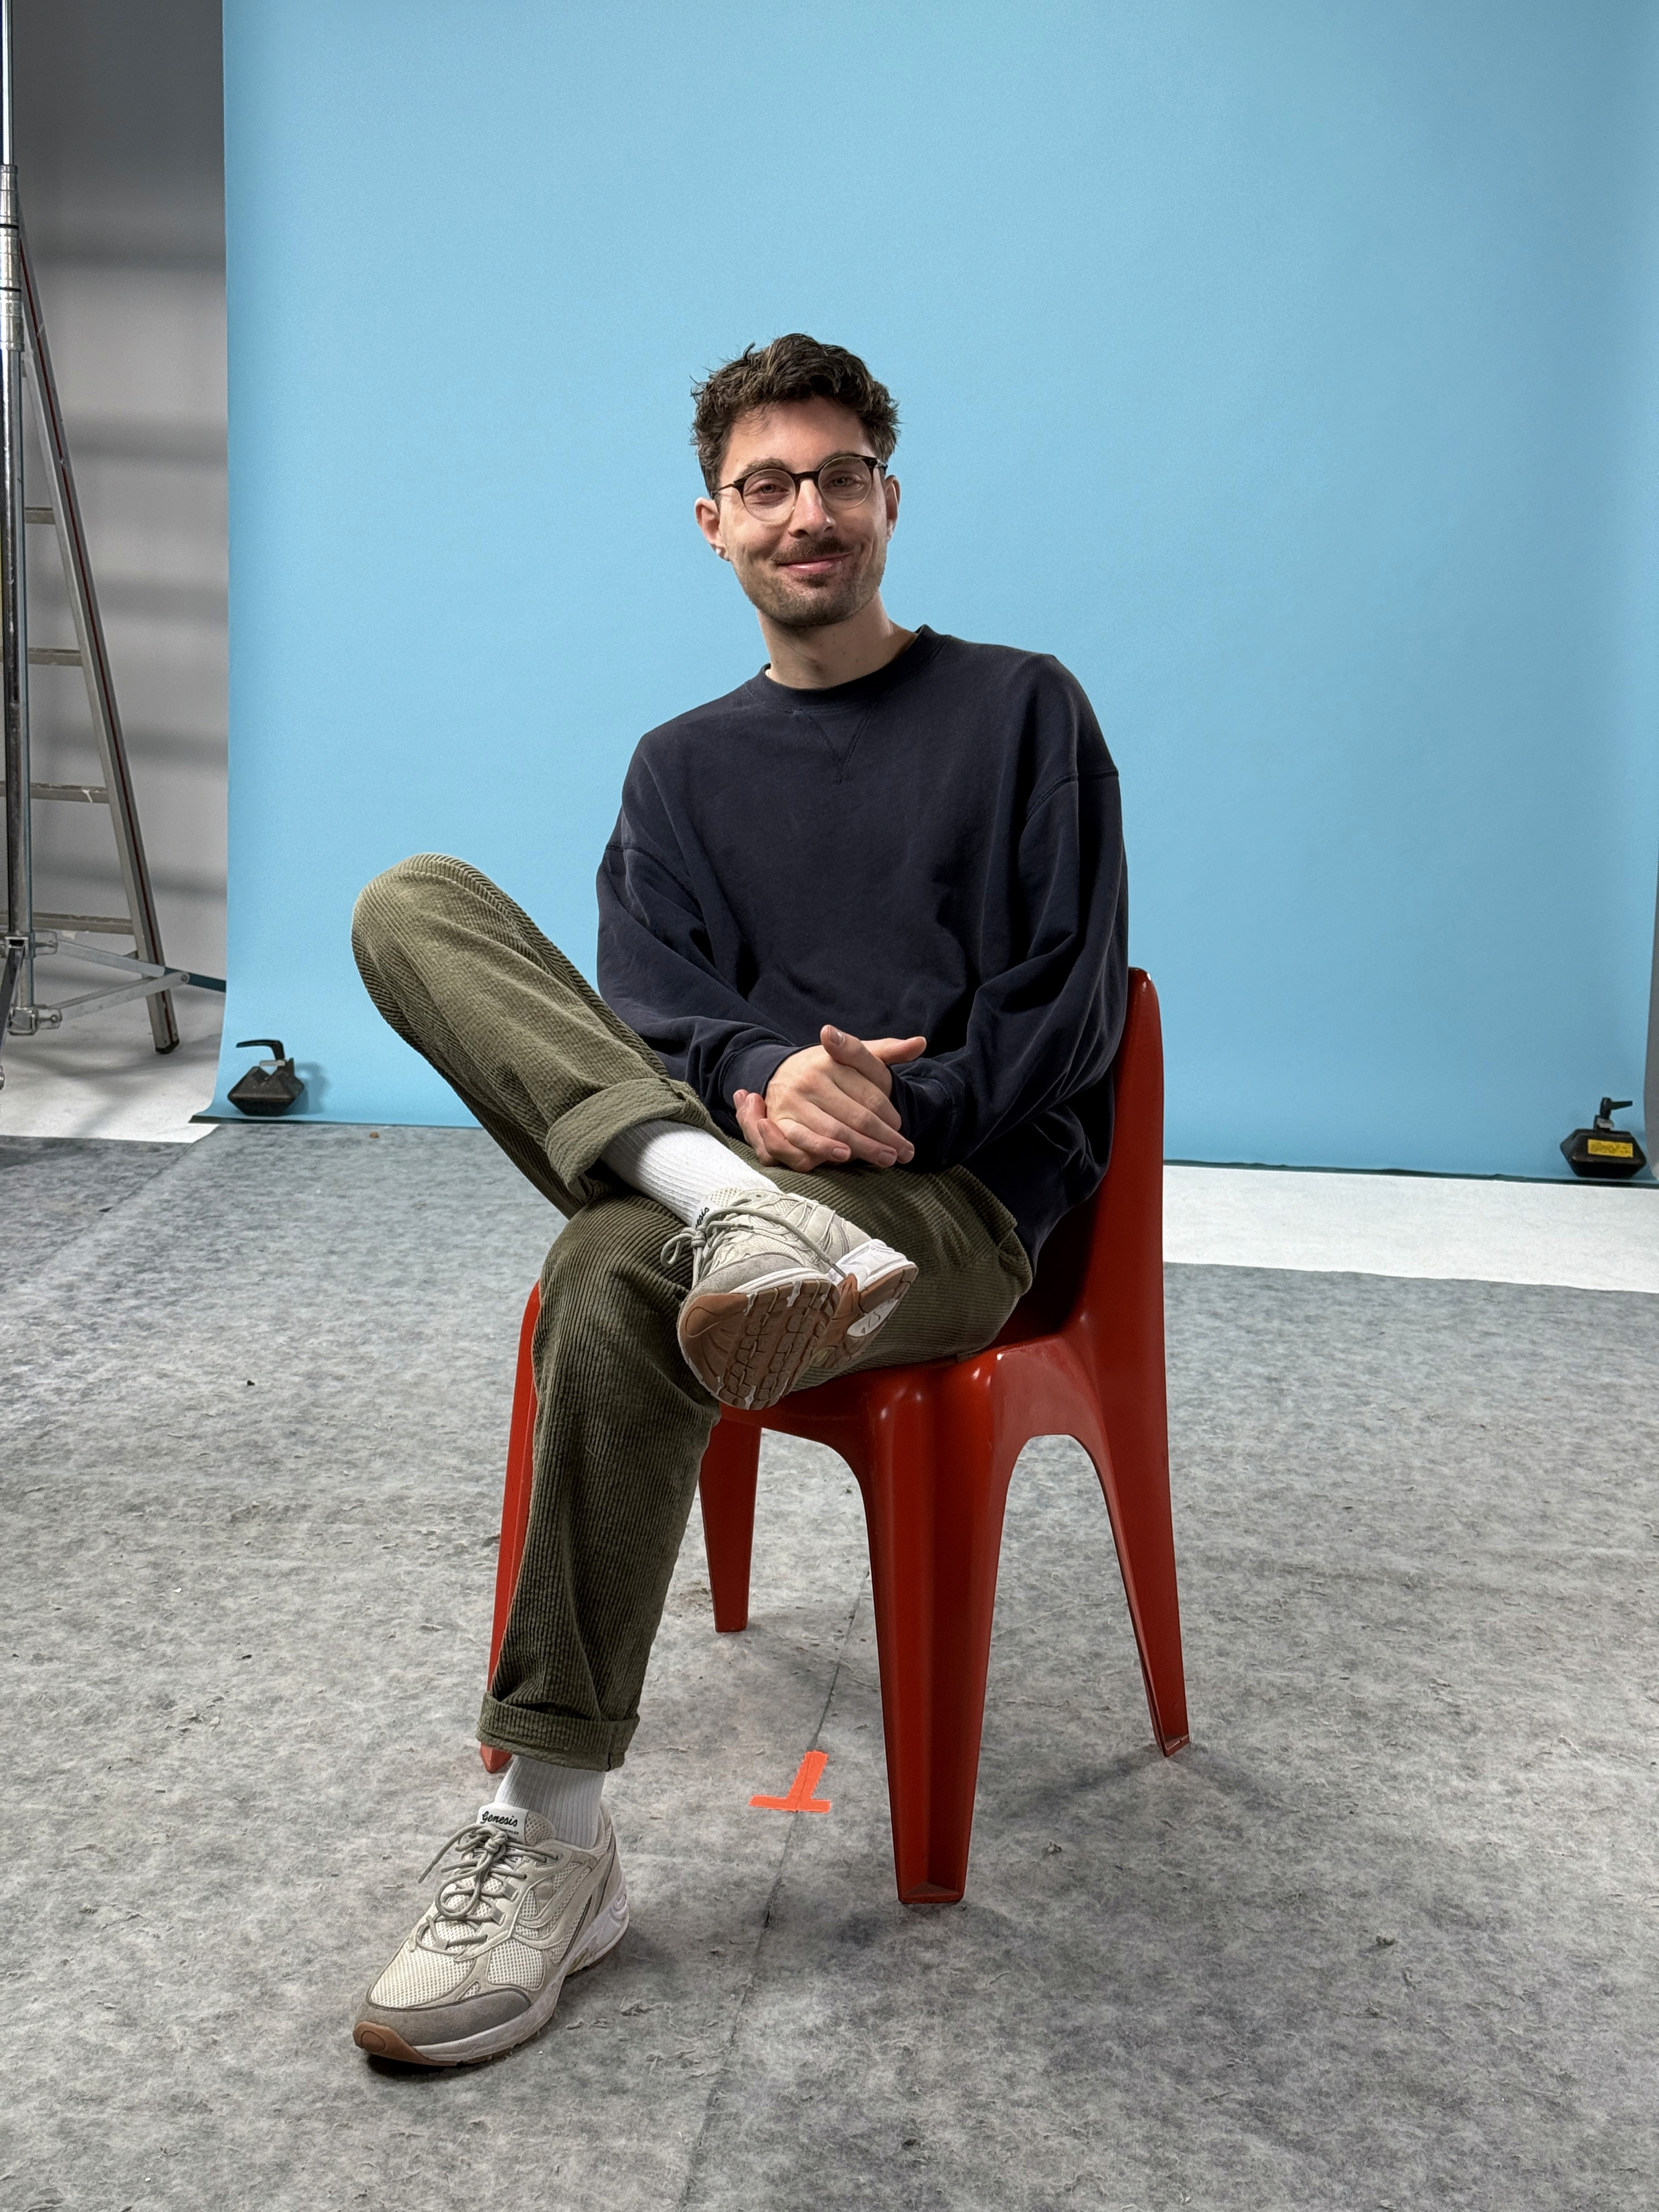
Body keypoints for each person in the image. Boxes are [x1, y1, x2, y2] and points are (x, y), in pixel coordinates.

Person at [347, 334, 1128, 2066]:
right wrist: (758, 1092)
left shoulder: (1023, 710)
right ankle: (723, 1204)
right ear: (712, 524)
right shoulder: (678, 768)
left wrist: (888, 1100)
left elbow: (1074, 1003)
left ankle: (549, 1835)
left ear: (889, 503)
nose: (809, 512)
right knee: (414, 902)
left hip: (949, 1217)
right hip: (750, 1179)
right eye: (767, 486)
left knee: (612, 1265)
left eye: (840, 477)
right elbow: (654, 1007)